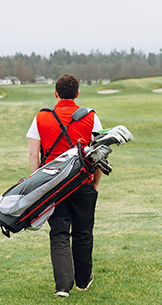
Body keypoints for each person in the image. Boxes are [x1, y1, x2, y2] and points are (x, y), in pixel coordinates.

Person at [26, 74, 103, 297]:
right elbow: (99, 154)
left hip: (52, 184)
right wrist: (95, 183)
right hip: (82, 182)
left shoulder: (41, 117)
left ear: (56, 93)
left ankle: (63, 286)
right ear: (77, 93)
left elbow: (33, 153)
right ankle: (82, 281)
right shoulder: (91, 116)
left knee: (59, 233)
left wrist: (37, 184)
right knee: (83, 232)